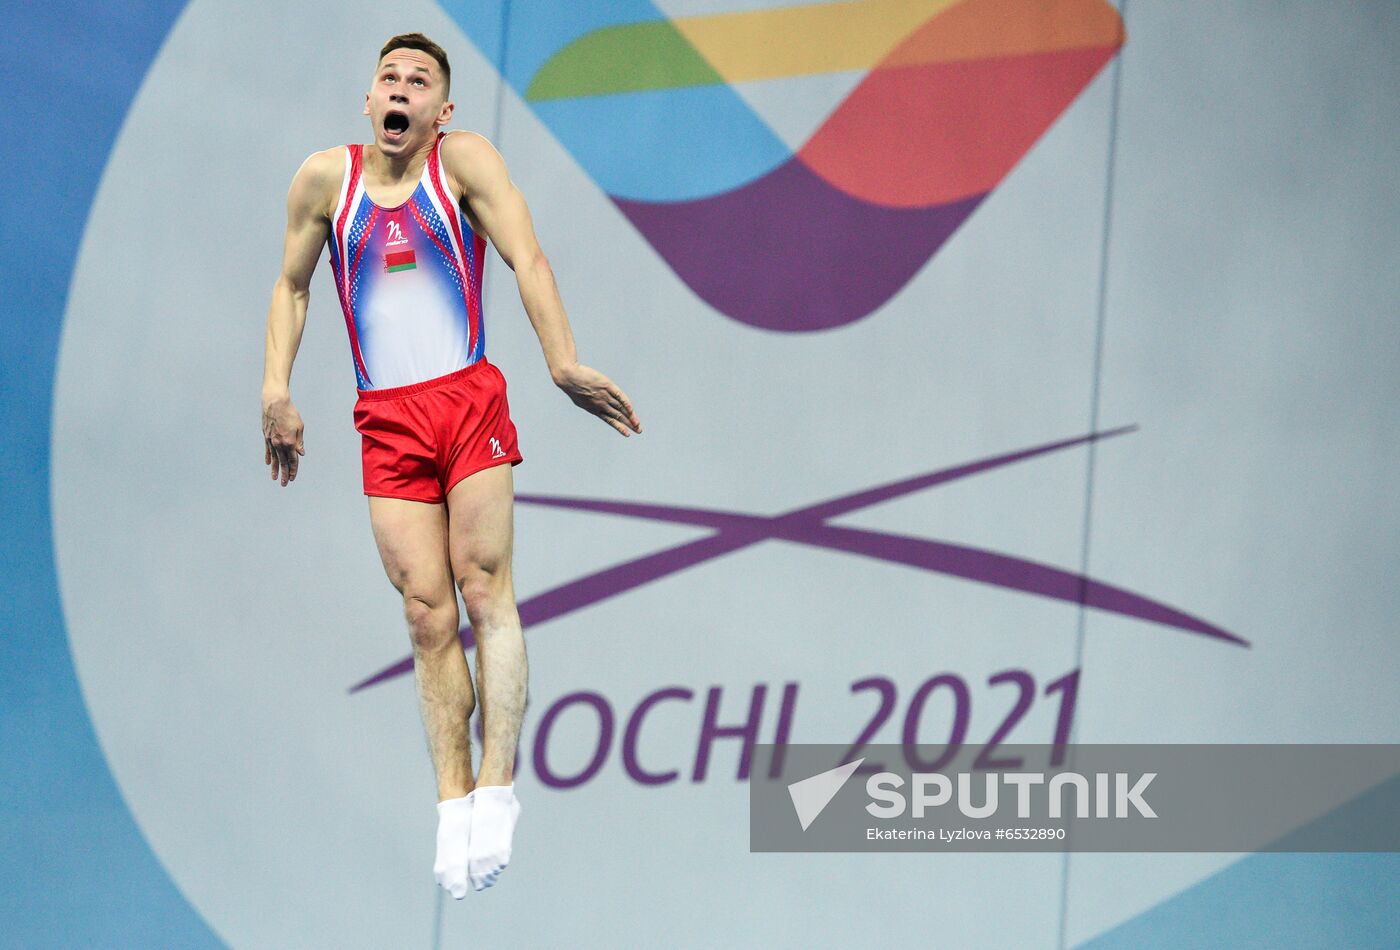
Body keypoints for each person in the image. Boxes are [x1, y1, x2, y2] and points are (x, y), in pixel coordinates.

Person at [259, 32, 641, 899]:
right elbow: (291, 285)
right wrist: (276, 387)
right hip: (385, 421)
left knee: (481, 588)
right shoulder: (326, 181)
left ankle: (498, 785)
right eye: (388, 78)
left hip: (466, 401)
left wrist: (562, 360)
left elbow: (527, 257)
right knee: (426, 617)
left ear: (442, 110)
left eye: (419, 80)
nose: (401, 89)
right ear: (369, 101)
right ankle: (452, 804)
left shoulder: (461, 163)